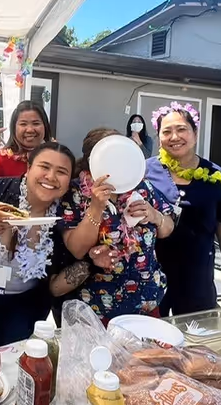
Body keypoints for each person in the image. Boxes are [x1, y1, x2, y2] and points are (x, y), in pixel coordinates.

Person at [144, 102, 221, 317]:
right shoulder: (144, 172)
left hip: (197, 283)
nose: (174, 136)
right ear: (159, 138)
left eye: (181, 129)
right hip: (149, 280)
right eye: (166, 131)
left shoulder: (217, 178)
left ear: (195, 133)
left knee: (196, 345)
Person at [0, 141, 76, 344]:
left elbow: (71, 259)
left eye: (61, 171)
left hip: (26, 303)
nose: (51, 177)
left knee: (15, 363)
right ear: (29, 169)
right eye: (44, 167)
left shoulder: (66, 213)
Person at [54, 127, 175, 321]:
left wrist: (155, 216)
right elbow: (77, 249)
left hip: (146, 302)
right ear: (93, 159)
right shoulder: (76, 193)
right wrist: (96, 206)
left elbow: (167, 228)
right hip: (95, 309)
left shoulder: (142, 186)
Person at [0, 100, 51, 191]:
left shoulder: (56, 157)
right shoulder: (2, 159)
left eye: (36, 123)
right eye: (23, 124)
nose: (30, 129)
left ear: (45, 126)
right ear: (14, 128)